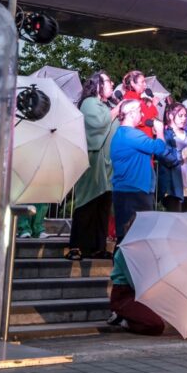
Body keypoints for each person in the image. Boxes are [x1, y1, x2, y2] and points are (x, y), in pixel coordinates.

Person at [109, 99, 185, 243]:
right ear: (131, 114)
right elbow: (159, 148)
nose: (142, 114)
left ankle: (121, 264)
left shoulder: (123, 133)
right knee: (133, 239)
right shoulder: (131, 134)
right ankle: (124, 265)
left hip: (129, 191)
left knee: (127, 239)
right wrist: (160, 132)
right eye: (139, 111)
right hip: (134, 192)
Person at [68, 71, 118, 261]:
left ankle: (98, 246)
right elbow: (98, 122)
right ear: (97, 84)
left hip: (107, 163)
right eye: (107, 81)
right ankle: (76, 246)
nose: (112, 84)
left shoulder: (107, 105)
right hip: (93, 159)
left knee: (103, 205)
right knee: (87, 203)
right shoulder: (89, 103)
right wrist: (116, 110)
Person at [107, 246, 165, 335]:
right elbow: (135, 282)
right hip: (124, 295)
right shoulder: (125, 251)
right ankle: (122, 319)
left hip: (138, 292)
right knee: (156, 325)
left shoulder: (146, 250)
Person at [158, 103, 187, 212]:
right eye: (180, 116)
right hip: (173, 184)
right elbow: (169, 158)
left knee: (186, 220)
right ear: (171, 116)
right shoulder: (166, 135)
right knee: (175, 219)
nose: (184, 119)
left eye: (185, 115)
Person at [120, 71, 160, 139]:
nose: (145, 85)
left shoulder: (138, 98)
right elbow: (143, 120)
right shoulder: (129, 98)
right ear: (132, 83)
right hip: (139, 139)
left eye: (145, 82)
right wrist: (153, 105)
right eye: (142, 82)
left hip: (145, 137)